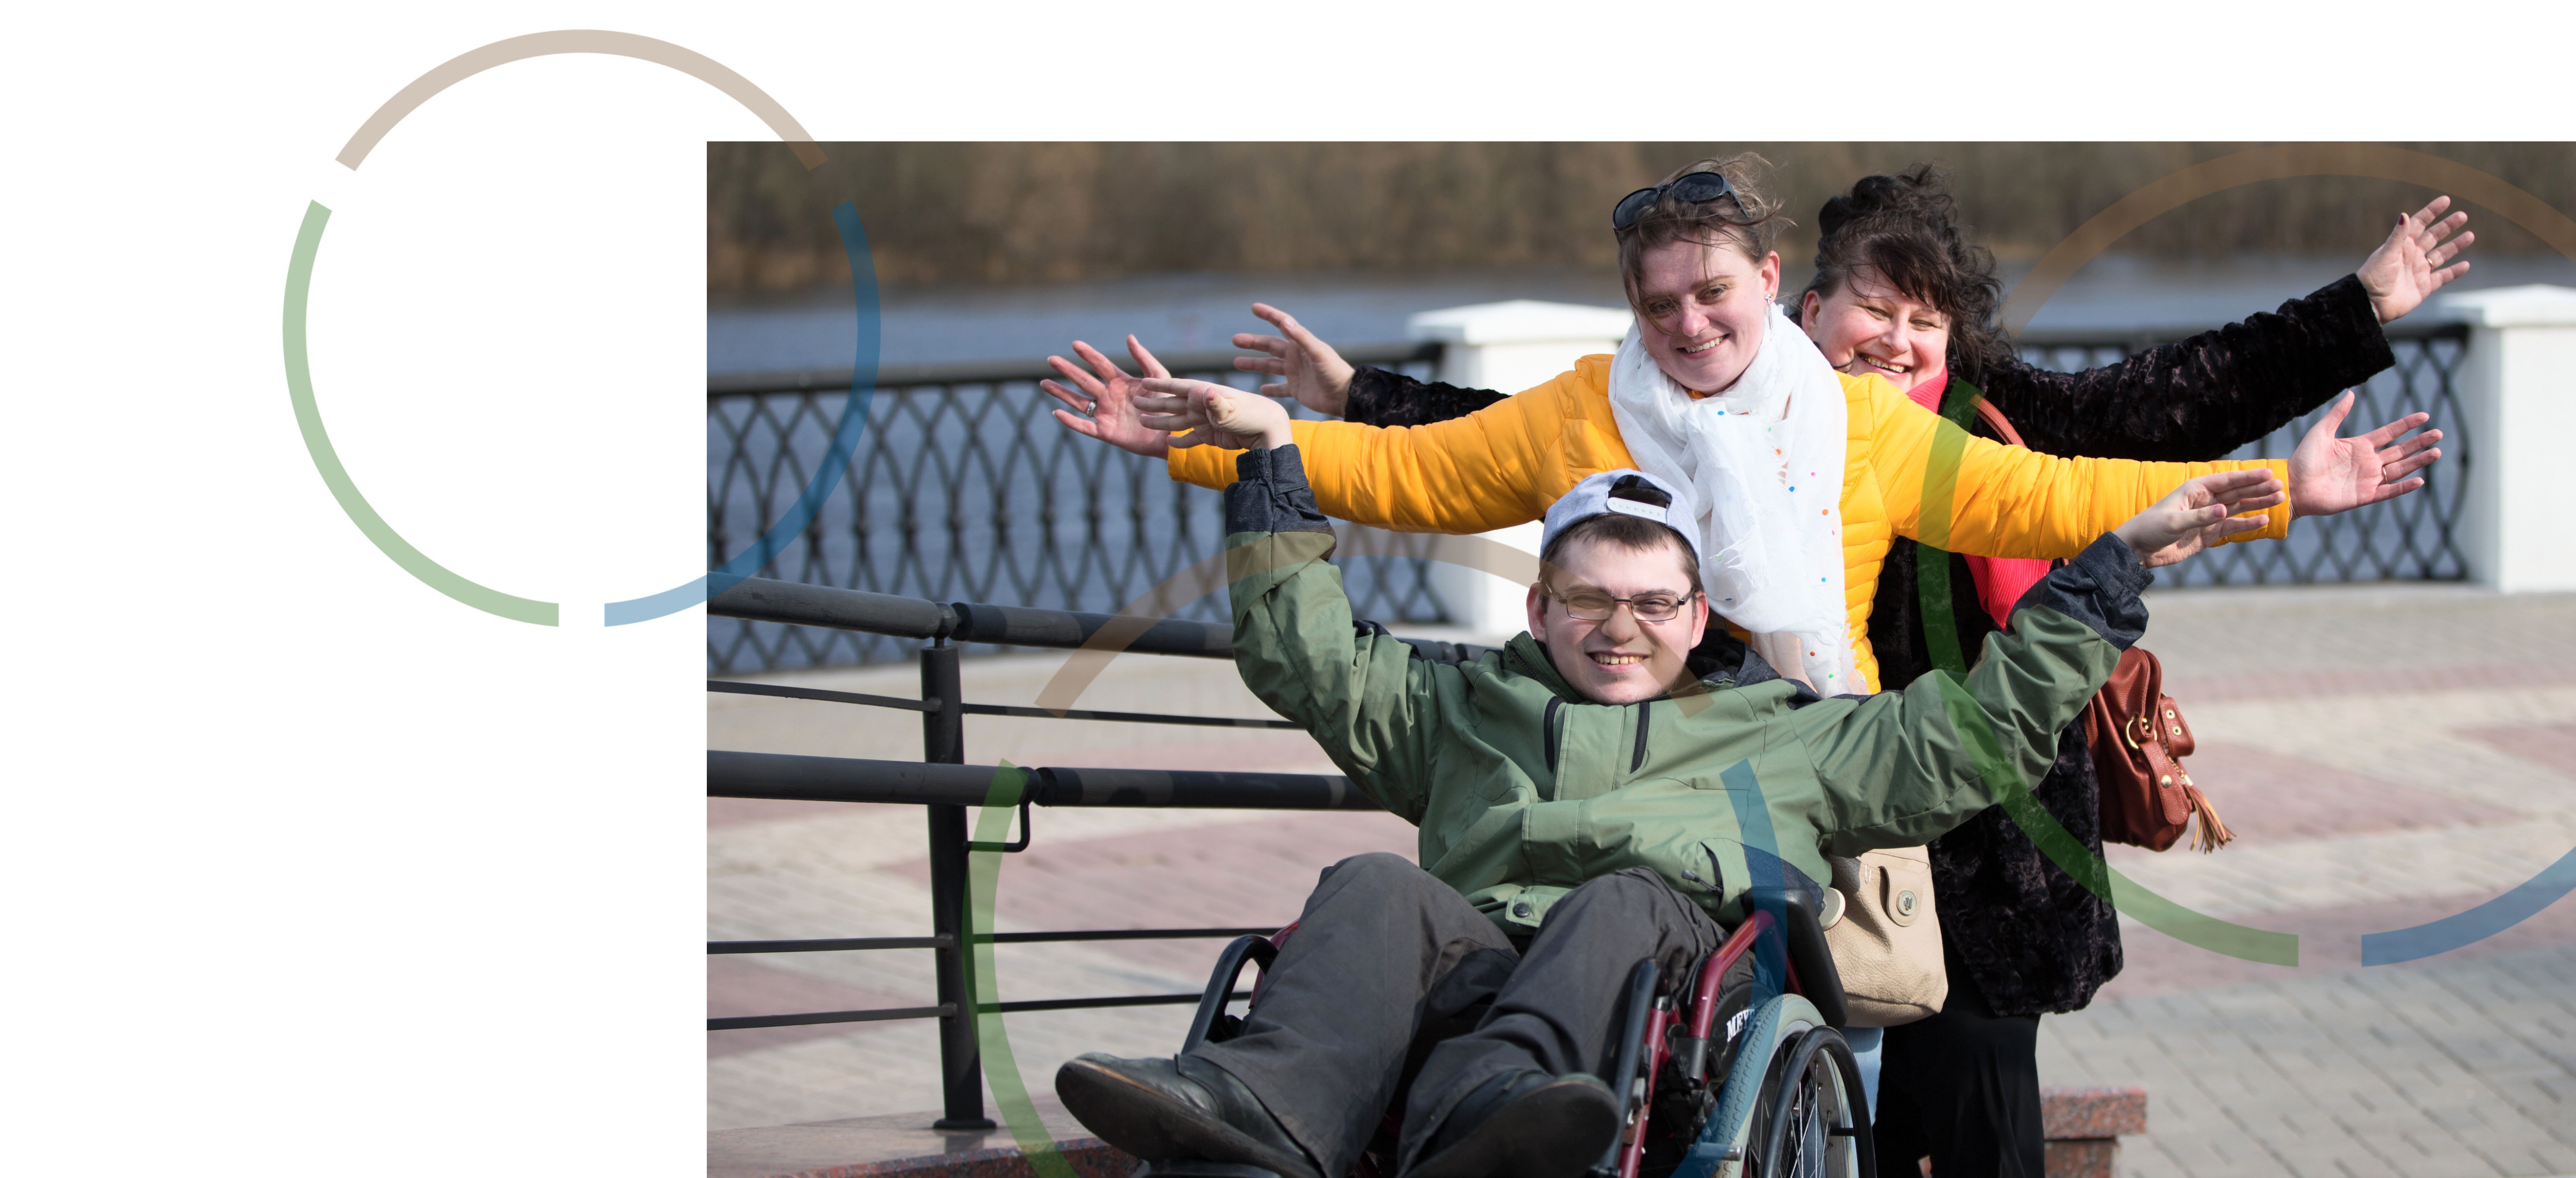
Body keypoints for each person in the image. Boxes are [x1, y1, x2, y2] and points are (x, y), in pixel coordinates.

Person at [1053, 379, 2274, 1178]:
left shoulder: (1784, 733)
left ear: (1698, 619)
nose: (1618, 630)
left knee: (1625, 898)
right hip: (1476, 964)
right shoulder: (1462, 709)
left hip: (1653, 996)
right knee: (1374, 882)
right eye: (1587, 601)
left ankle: (1500, 1116)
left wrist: (2109, 576)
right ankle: (1260, 1117)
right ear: (1539, 609)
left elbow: (1968, 741)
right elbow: (1306, 658)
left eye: (1650, 605)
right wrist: (1271, 455)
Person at [1041, 154, 2442, 704]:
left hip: (1817, 751)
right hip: (1641, 743)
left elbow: (2068, 495)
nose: (1690, 326)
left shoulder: (1863, 431)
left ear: (1770, 286)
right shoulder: (1588, 413)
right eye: (1658, 307)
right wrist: (1212, 437)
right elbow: (1403, 472)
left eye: (1712, 293)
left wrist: (2283, 492)